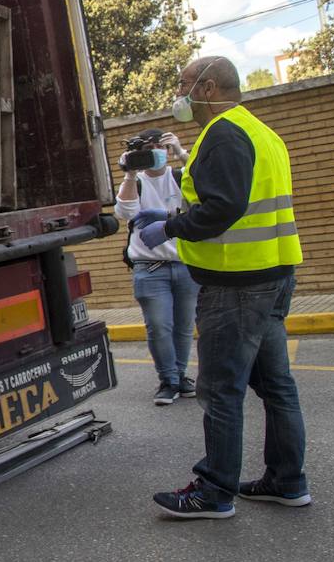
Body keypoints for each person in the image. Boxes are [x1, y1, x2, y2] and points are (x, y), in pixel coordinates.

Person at [131, 56, 308, 519]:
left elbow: (223, 209)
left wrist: (169, 228)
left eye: (183, 84)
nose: (179, 94)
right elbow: (235, 202)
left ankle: (214, 492)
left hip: (236, 284)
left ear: (208, 88)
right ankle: (287, 481)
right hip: (272, 274)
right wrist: (171, 215)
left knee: (220, 390)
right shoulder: (260, 132)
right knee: (276, 386)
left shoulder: (223, 134)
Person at [114, 129, 199, 406]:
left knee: (184, 327)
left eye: (159, 147)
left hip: (185, 264)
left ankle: (180, 376)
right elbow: (125, 212)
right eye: (148, 148)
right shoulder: (137, 182)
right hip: (150, 268)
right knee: (160, 326)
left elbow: (204, 199)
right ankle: (169, 380)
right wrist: (129, 173)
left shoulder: (180, 176)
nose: (154, 152)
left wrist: (182, 152)